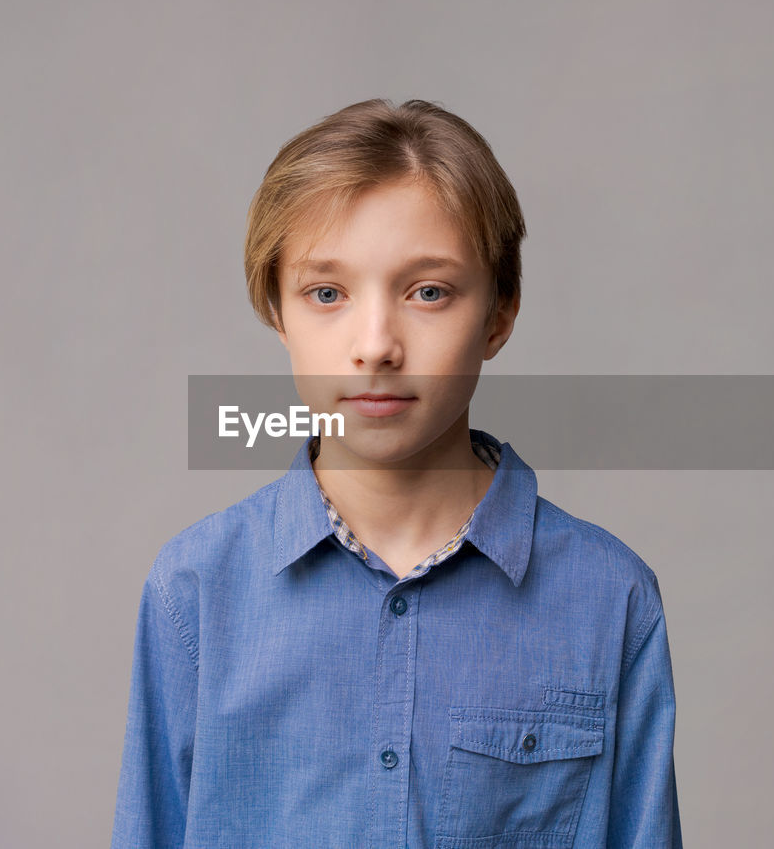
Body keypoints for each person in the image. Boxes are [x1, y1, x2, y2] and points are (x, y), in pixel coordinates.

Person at [111, 98, 683, 848]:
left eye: (428, 292)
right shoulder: (194, 593)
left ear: (500, 314)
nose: (375, 345)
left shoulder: (610, 599)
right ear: (276, 312)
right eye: (327, 294)